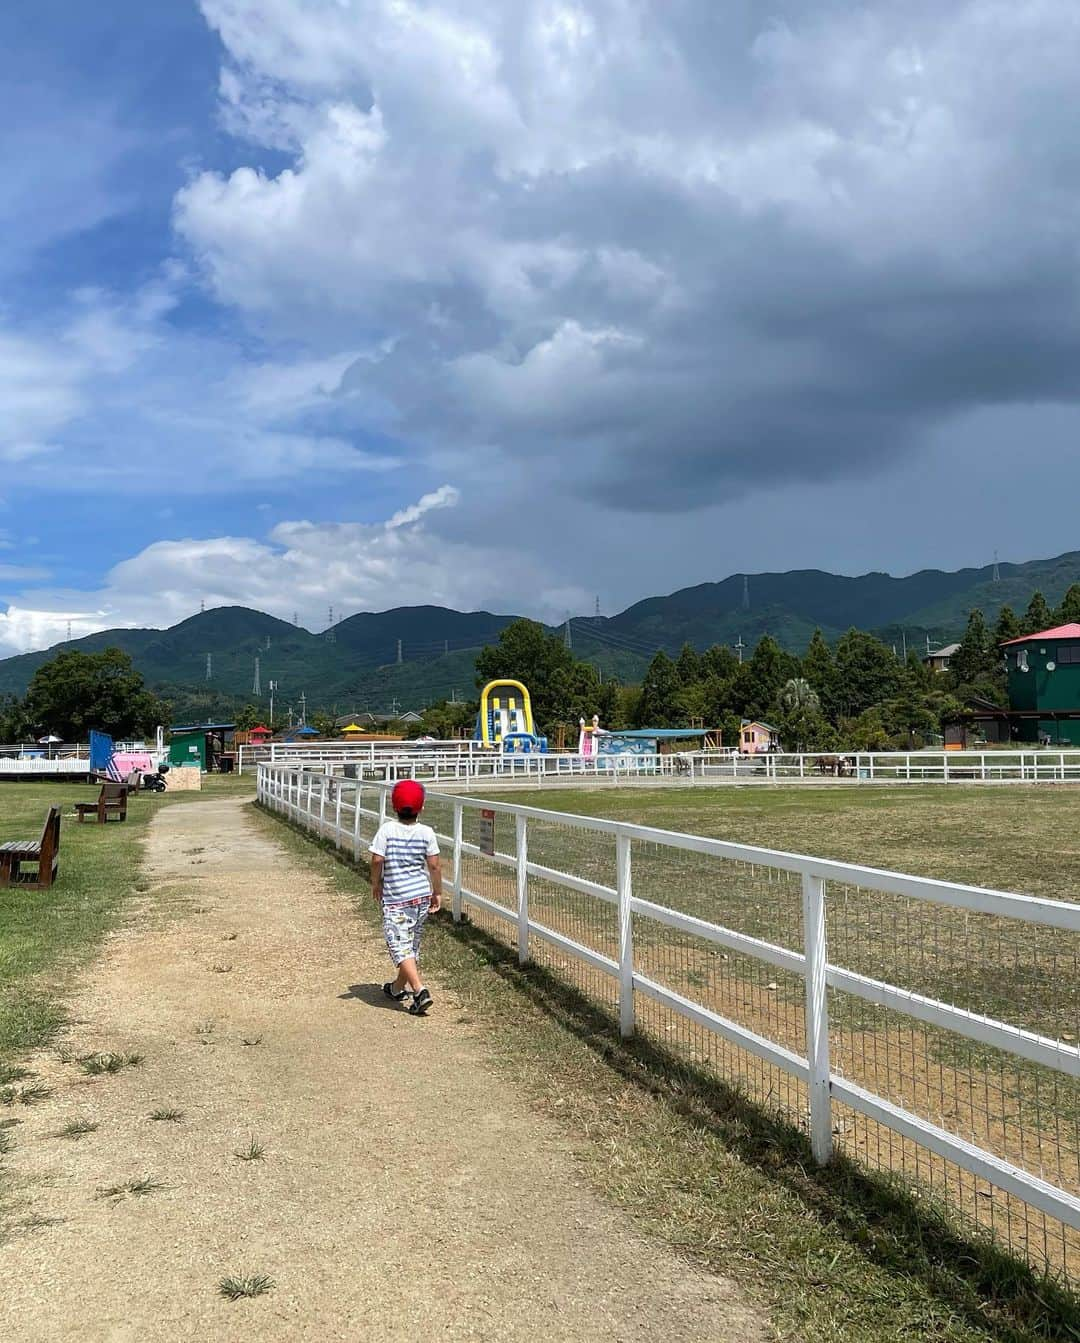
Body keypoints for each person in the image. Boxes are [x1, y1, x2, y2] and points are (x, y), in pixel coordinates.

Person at [369, 779, 442, 1015]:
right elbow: (434, 865)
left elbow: (377, 859)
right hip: (420, 896)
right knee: (409, 944)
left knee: (400, 947)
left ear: (394, 807)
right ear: (422, 807)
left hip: (396, 899)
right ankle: (396, 987)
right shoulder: (426, 833)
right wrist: (437, 892)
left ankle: (420, 990)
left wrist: (375, 882)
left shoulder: (387, 830)